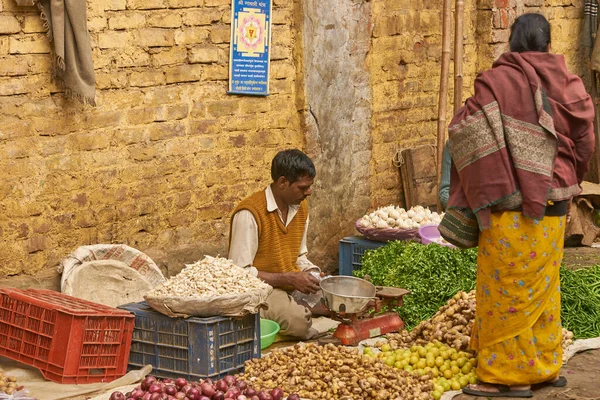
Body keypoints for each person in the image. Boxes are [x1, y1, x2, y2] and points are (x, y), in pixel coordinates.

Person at [446, 13, 595, 398]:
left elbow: (465, 130)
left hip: (508, 205)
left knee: (506, 290)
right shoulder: (569, 82)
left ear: (512, 43)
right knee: (544, 286)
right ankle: (544, 367)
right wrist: (564, 174)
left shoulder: (495, 81)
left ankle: (510, 377)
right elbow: (585, 138)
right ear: (547, 43)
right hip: (556, 201)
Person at [228, 149, 322, 340]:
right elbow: (238, 273)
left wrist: (313, 273)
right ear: (282, 183)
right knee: (300, 324)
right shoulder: (249, 213)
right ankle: (279, 319)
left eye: (309, 187)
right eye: (303, 188)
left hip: (287, 284)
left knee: (337, 301)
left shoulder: (301, 207)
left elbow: (299, 256)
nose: (309, 192)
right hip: (259, 289)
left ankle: (299, 309)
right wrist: (288, 279)